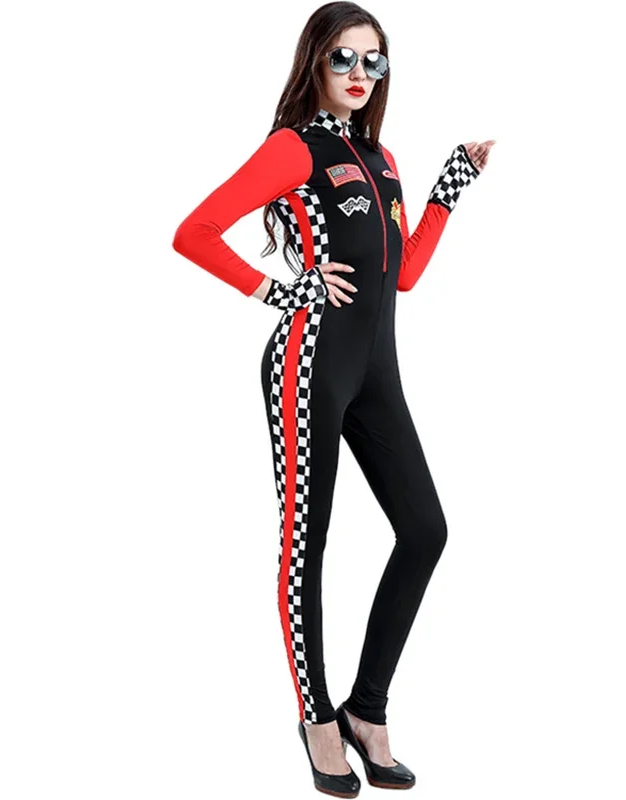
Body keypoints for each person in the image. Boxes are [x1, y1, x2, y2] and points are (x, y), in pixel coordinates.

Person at [172, 2, 494, 795]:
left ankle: (366, 710)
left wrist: (449, 187)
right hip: (307, 362)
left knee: (425, 530)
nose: (359, 73)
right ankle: (317, 719)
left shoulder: (381, 158)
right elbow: (195, 231)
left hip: (376, 371)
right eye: (343, 57)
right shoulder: (295, 147)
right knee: (305, 545)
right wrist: (279, 291)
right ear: (315, 60)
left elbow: (403, 274)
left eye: (373, 60)